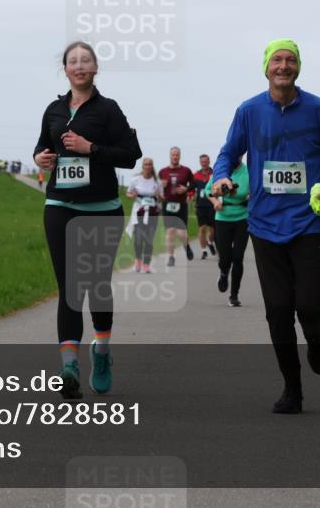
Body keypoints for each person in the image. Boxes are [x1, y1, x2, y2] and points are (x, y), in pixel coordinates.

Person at [212, 38, 320, 415]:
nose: (284, 66)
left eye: (290, 60)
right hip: (264, 224)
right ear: (266, 67)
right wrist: (221, 176)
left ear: (298, 67)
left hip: (310, 222)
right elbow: (228, 152)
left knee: (308, 306)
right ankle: (292, 389)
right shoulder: (249, 111)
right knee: (277, 309)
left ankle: (316, 334)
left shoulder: (317, 109)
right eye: (277, 60)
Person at [34, 41, 141, 399]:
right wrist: (41, 158)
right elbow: (41, 146)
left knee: (96, 285)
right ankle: (69, 367)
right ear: (65, 69)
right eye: (73, 61)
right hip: (59, 205)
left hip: (102, 208)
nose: (79, 66)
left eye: (85, 61)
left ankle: (102, 351)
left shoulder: (108, 109)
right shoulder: (53, 109)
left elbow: (130, 155)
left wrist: (90, 148)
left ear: (95, 68)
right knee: (70, 287)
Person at [206, 157, 249, 307]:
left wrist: (251, 196)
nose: (236, 157)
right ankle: (224, 273)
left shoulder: (248, 171)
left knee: (238, 257)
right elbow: (208, 190)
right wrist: (215, 202)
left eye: (239, 154)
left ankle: (234, 295)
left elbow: (256, 190)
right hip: (222, 218)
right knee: (225, 258)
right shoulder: (221, 172)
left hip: (242, 217)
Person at [158, 147, 195, 267]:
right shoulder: (162, 171)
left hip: (181, 204)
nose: (175, 157)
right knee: (170, 231)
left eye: (177, 155)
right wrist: (160, 190)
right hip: (167, 204)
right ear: (170, 156)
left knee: (182, 233)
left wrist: (186, 189)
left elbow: (194, 184)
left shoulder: (186, 171)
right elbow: (157, 188)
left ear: (180, 156)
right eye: (173, 155)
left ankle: (186, 246)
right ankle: (171, 257)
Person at [126, 158, 164, 273]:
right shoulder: (135, 180)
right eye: (146, 164)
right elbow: (128, 193)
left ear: (152, 166)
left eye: (149, 164)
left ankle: (146, 264)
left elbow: (162, 198)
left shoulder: (157, 182)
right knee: (138, 239)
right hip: (139, 212)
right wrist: (132, 195)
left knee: (149, 239)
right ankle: (138, 261)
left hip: (152, 213)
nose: (147, 166)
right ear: (143, 166)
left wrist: (159, 196)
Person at [193, 154, 218, 259]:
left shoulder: (214, 173)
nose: (204, 163)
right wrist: (190, 196)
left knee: (213, 230)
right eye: (202, 162)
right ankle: (204, 251)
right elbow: (191, 188)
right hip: (200, 206)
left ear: (209, 162)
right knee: (202, 228)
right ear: (200, 162)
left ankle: (210, 242)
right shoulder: (196, 175)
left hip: (212, 205)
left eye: (205, 161)